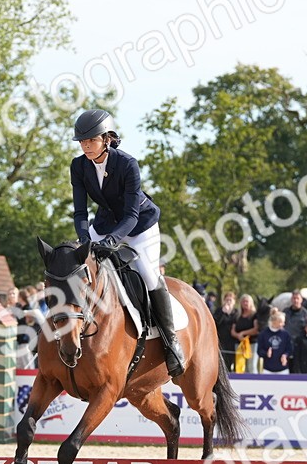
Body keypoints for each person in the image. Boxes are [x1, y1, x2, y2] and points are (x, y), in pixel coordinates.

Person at [70, 108, 184, 377]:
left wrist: (111, 240)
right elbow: (79, 212)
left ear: (107, 138)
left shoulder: (128, 164)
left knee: (147, 273)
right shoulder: (78, 166)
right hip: (106, 223)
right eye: (82, 141)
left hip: (139, 225)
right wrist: (85, 240)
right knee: (79, 267)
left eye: (91, 140)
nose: (86, 145)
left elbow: (132, 215)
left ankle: (171, 342)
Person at [256, 308, 293, 374]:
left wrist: (285, 355)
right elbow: (259, 351)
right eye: (281, 322)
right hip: (267, 370)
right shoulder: (263, 334)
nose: (283, 324)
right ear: (274, 321)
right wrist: (266, 353)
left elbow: (289, 349)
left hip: (283, 369)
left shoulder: (286, 334)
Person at [231, 294, 259, 373]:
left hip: (252, 344)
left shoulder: (254, 315)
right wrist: (238, 335)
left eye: (247, 301)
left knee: (251, 366)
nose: (245, 303)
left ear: (251, 303)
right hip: (239, 344)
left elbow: (256, 329)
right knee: (240, 365)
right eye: (243, 301)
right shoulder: (237, 315)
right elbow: (232, 331)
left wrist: (243, 333)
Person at [212, 291, 238, 371]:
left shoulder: (236, 312)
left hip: (232, 340)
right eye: (227, 300)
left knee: (230, 361)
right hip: (221, 340)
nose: (229, 302)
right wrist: (223, 312)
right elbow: (215, 323)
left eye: (231, 300)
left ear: (234, 301)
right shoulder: (219, 310)